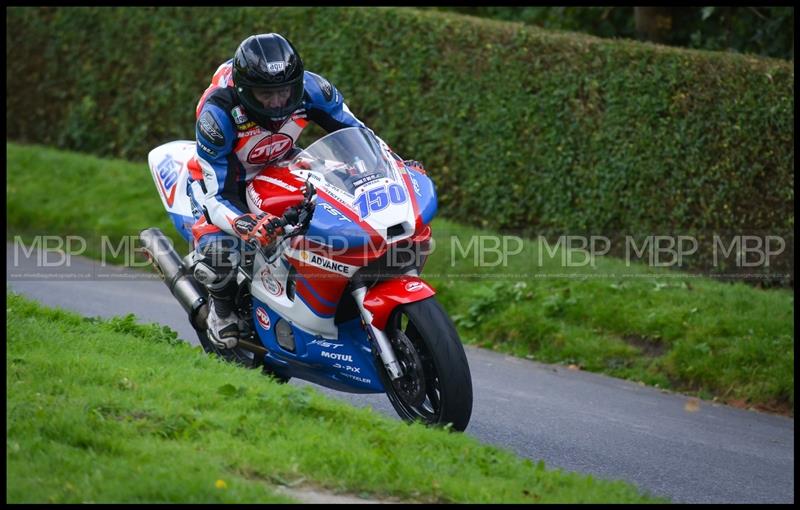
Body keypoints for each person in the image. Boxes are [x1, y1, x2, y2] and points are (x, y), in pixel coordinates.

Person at [188, 33, 425, 349]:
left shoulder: (313, 90)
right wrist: (247, 224)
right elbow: (215, 195)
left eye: (284, 92)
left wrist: (395, 166)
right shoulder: (217, 115)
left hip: (281, 159)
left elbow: (358, 135)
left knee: (333, 204)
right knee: (222, 251)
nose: (277, 102)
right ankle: (222, 312)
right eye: (265, 95)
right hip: (223, 182)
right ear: (244, 91)